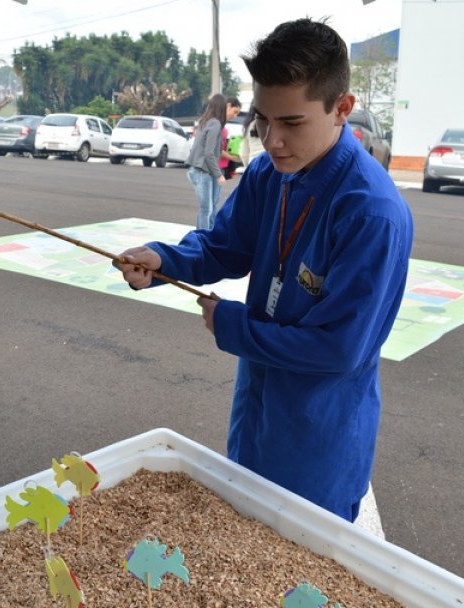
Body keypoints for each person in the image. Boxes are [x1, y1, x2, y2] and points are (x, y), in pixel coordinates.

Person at [113, 18, 413, 522]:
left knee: (302, 563)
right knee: (241, 531)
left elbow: (338, 349)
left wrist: (231, 324)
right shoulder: (268, 174)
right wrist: (165, 260)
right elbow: (225, 247)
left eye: (292, 122)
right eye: (262, 120)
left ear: (342, 108)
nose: (273, 141)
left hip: (319, 445)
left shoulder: (370, 213)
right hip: (254, 415)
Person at [185, 94, 227, 229]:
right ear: (222, 108)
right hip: (202, 171)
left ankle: (207, 235)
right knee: (206, 209)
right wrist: (219, 175)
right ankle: (202, 238)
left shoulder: (204, 121)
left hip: (197, 169)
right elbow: (209, 153)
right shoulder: (215, 124)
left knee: (208, 207)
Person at [219, 96, 243, 180]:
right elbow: (216, 149)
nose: (235, 116)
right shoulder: (216, 125)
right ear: (228, 106)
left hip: (219, 167)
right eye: (235, 112)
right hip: (212, 169)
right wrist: (233, 158)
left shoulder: (221, 125)